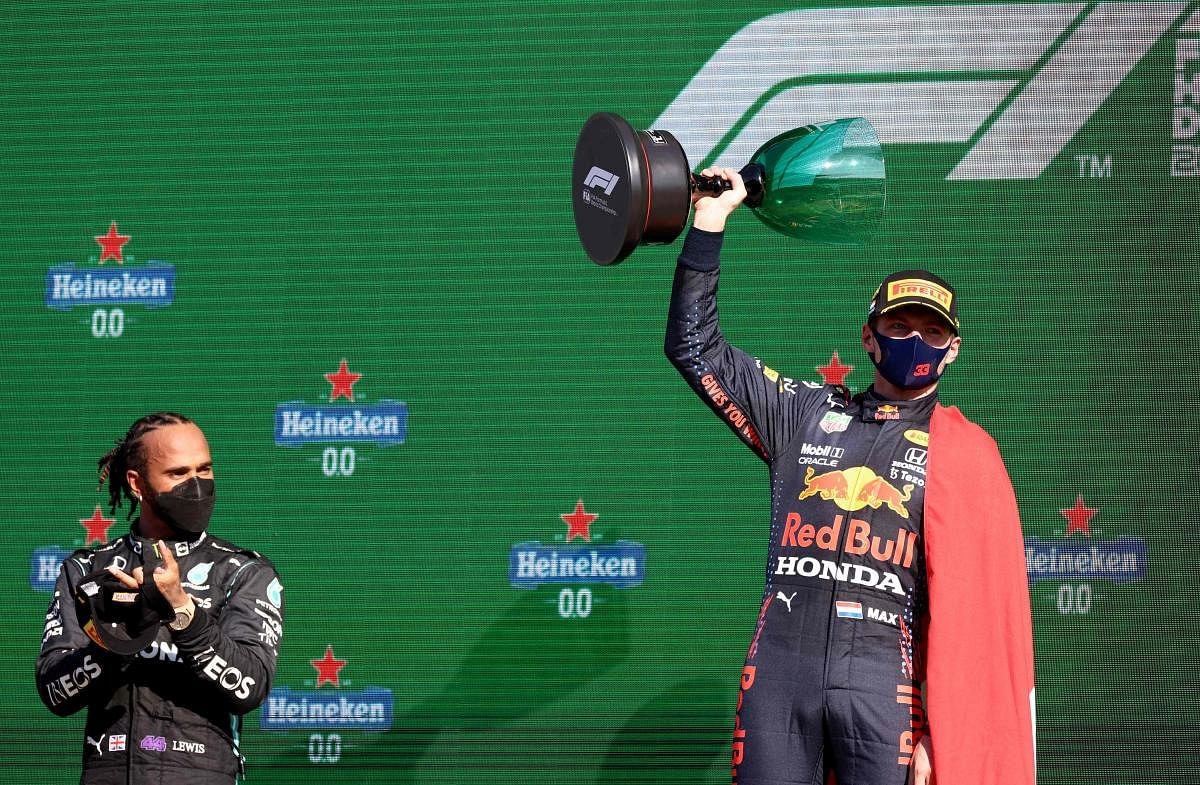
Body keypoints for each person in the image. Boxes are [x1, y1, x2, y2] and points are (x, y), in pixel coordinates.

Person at [664, 169, 1035, 785]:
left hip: (886, 693)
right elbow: (695, 347)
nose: (915, 338)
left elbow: (975, 619)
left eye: (932, 330)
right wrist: (710, 222)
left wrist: (945, 731)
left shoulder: (966, 455)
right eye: (899, 325)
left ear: (953, 349)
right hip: (780, 680)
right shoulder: (806, 413)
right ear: (868, 335)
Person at [37, 412, 285, 785]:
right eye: (178, 473)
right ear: (137, 484)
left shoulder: (243, 571)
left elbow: (250, 686)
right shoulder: (88, 570)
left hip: (203, 774)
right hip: (109, 772)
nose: (197, 485)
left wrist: (182, 610)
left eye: (204, 469)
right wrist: (119, 637)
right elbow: (56, 693)